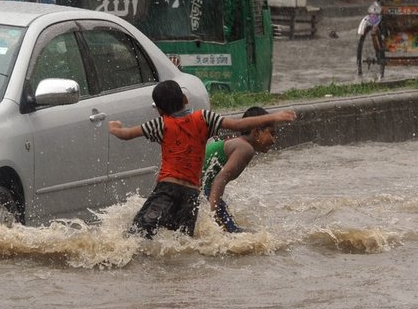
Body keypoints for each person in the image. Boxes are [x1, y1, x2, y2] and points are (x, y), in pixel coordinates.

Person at [109, 80, 296, 238]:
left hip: (167, 190)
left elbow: (127, 134)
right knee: (182, 242)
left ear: (159, 110)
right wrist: (274, 116)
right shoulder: (204, 118)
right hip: (191, 195)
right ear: (185, 100)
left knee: (136, 235)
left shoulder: (160, 124)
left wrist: (115, 128)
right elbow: (239, 124)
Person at [202, 106, 284, 233]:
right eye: (271, 133)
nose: (274, 141)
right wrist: (211, 217)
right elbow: (220, 179)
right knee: (234, 236)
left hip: (195, 189)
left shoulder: (236, 143)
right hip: (202, 191)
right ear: (256, 132)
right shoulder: (245, 149)